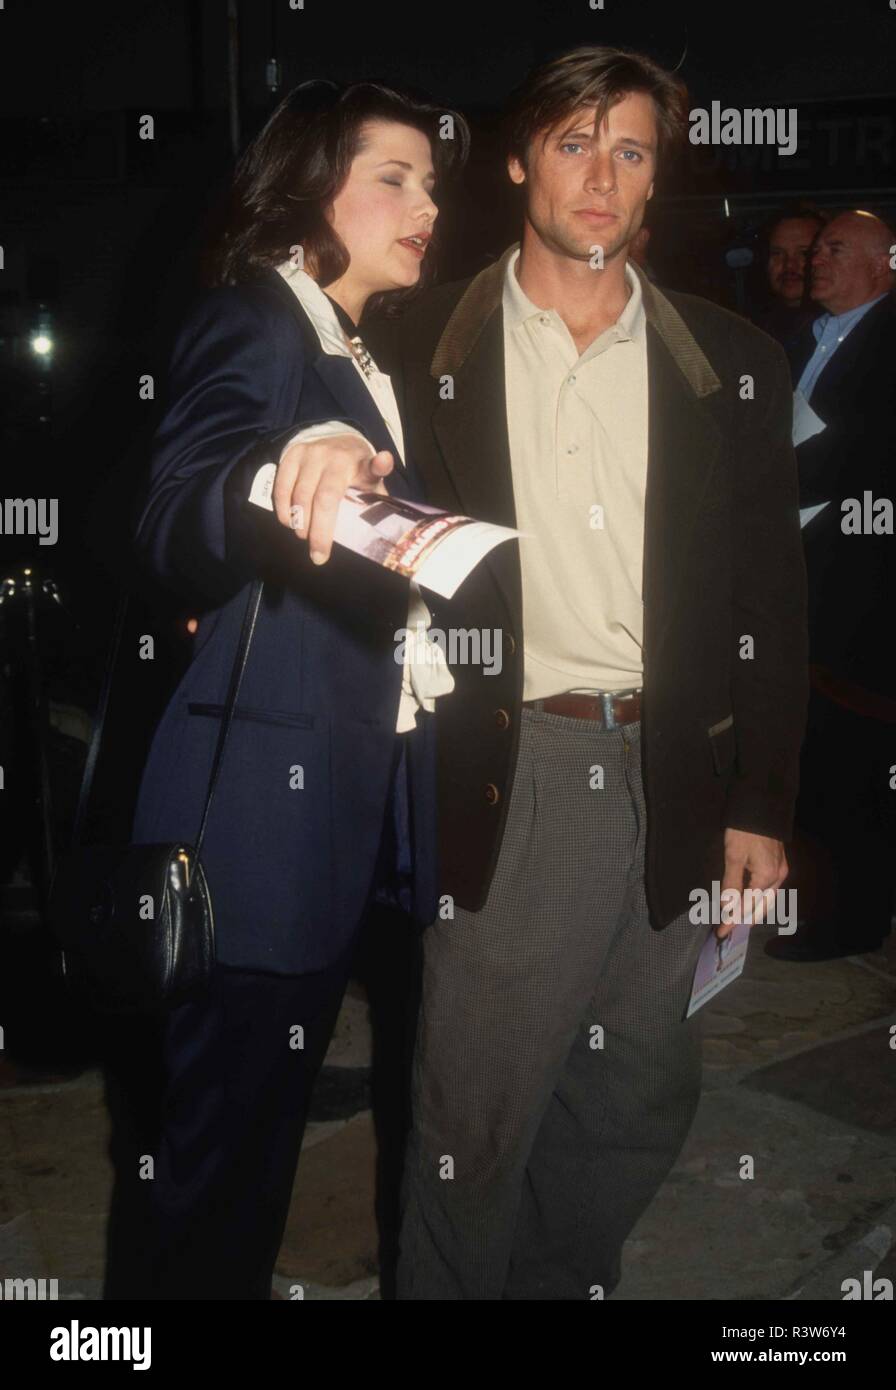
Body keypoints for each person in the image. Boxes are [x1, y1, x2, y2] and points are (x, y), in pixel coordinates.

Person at [285, 45, 809, 1299]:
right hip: (516, 770)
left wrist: (762, 803)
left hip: (678, 765)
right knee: (474, 1120)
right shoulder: (418, 335)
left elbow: (770, 600)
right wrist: (307, 437)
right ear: (519, 159)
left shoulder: (726, 360)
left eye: (629, 150)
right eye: (572, 143)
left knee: (637, 1095)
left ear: (652, 180)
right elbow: (283, 358)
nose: (599, 175)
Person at [102, 79, 467, 1300]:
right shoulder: (258, 317)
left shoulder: (350, 339)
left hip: (346, 804)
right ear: (310, 187)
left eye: (430, 182)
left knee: (251, 1150)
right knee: (211, 1164)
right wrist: (273, 468)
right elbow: (170, 513)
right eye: (393, 178)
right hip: (259, 817)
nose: (427, 203)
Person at [766, 210, 896, 963]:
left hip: (865, 592)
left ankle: (848, 920)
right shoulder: (798, 338)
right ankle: (806, 908)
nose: (816, 261)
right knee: (804, 754)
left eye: (835, 250)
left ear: (886, 261)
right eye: (816, 249)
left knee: (857, 764)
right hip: (797, 576)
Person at [753, 207, 826, 352]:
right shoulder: (751, 328)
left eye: (804, 253)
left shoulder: (835, 329)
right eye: (777, 253)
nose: (789, 265)